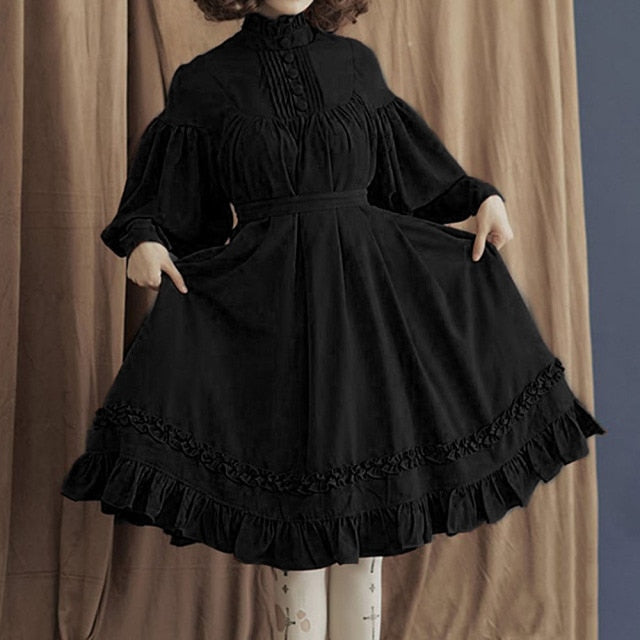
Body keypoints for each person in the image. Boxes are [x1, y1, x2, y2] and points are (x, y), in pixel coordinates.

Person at [60, 1, 607, 638]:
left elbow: (410, 172)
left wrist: (481, 198)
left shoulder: (355, 65)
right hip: (272, 322)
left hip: (367, 312)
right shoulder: (204, 81)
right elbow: (174, 200)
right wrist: (145, 239)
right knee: (297, 526)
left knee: (366, 528)